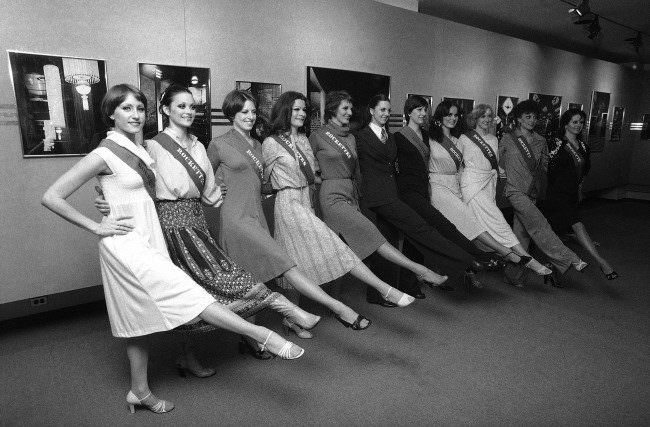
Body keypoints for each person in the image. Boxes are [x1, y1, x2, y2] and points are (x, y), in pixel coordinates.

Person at [41, 84, 304, 414]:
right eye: (126, 109)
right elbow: (51, 196)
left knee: (136, 322)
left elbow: (146, 190)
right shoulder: (104, 153)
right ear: (110, 114)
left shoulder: (141, 149)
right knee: (190, 293)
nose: (135, 115)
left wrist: (107, 199)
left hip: (150, 237)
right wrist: (97, 225)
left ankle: (139, 391)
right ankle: (263, 334)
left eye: (139, 108)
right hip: (124, 245)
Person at [95, 84, 320, 365]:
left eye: (192, 106)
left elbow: (210, 192)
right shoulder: (151, 145)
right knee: (210, 280)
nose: (189, 111)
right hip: (169, 224)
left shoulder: (200, 145)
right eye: (181, 106)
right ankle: (277, 312)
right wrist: (105, 196)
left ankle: (190, 358)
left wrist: (221, 190)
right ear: (165, 110)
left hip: (196, 220)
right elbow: (125, 175)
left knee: (196, 289)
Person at [207, 90, 373, 331]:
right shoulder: (219, 143)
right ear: (232, 114)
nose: (250, 117)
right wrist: (214, 192)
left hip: (257, 214)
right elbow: (204, 176)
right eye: (244, 112)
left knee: (252, 274)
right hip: (235, 216)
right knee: (284, 263)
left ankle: (252, 337)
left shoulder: (258, 144)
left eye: (253, 112)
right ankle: (336, 309)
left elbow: (265, 180)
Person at [262, 91, 415, 336]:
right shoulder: (271, 143)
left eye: (304, 110)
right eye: (296, 109)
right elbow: (263, 179)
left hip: (307, 200)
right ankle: (380, 291)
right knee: (334, 245)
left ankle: (292, 319)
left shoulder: (303, 139)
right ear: (285, 111)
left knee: (295, 261)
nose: (301, 114)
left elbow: (315, 172)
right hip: (288, 204)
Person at [309, 91, 448, 306]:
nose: (350, 112)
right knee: (373, 237)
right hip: (332, 196)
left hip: (352, 194)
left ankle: (327, 302)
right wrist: (326, 180)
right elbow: (309, 169)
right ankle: (415, 273)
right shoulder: (318, 136)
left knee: (338, 249)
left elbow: (359, 170)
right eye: (345, 108)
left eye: (350, 108)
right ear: (332, 109)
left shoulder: (350, 137)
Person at [354, 94, 481, 296]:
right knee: (414, 231)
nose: (386, 114)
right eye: (382, 110)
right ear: (371, 111)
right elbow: (355, 166)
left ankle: (383, 294)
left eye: (388, 110)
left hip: (392, 194)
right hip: (374, 198)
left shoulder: (389, 136)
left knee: (391, 243)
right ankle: (464, 260)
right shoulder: (361, 136)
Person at [394, 96, 506, 292]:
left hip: (452, 186)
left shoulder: (457, 139)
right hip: (430, 188)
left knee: (434, 232)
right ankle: (478, 257)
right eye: (448, 114)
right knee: (446, 228)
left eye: (455, 115)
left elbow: (466, 165)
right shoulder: (425, 136)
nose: (452, 118)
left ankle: (442, 276)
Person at [457, 104, 552, 286]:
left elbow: (497, 164)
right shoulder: (464, 138)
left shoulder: (494, 139)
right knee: (498, 222)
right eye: (482, 116)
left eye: (489, 116)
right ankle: (527, 260)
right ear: (475, 118)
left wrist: (502, 173)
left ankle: (470, 269)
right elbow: (459, 166)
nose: (486, 119)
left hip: (488, 185)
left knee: (476, 227)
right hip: (471, 186)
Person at [499, 100, 588, 286]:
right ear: (518, 118)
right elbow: (497, 162)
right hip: (515, 191)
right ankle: (569, 258)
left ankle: (513, 276)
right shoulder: (508, 138)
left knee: (522, 235)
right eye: (528, 117)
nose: (532, 121)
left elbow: (545, 167)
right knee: (540, 225)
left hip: (532, 192)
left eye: (534, 117)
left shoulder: (540, 141)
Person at [544, 108, 618, 280]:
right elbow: (548, 168)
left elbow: (585, 171)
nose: (578, 125)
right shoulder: (556, 143)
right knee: (576, 225)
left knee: (555, 231)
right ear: (566, 124)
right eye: (575, 122)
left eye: (581, 122)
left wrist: (579, 190)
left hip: (572, 194)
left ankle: (551, 268)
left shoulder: (584, 146)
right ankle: (601, 261)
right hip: (557, 195)